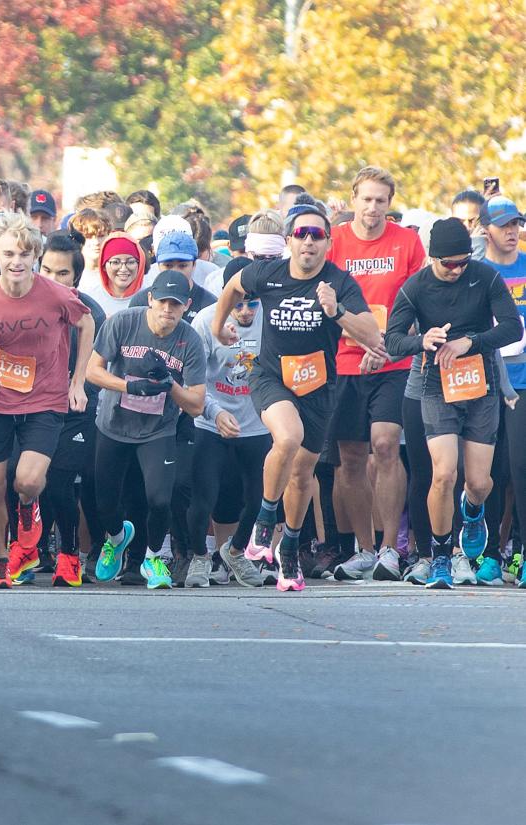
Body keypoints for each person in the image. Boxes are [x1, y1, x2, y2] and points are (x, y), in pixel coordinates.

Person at [211, 204, 386, 591]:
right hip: (272, 376)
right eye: (302, 234)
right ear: (290, 240)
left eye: (317, 235)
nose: (309, 241)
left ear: (327, 243)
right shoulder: (268, 273)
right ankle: (263, 523)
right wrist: (217, 323)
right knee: (286, 438)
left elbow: (372, 335)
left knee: (302, 472)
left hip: (319, 386)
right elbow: (233, 286)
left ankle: (288, 549)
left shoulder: (339, 282)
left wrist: (335, 310)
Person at [383, 218, 522, 588]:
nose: (457, 270)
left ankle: (472, 512)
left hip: (481, 387)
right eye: (449, 264)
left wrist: (469, 342)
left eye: (462, 262)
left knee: (479, 482)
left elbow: (512, 328)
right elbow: (393, 340)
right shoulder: (415, 287)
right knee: (443, 474)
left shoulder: (485, 277)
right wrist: (422, 341)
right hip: (436, 387)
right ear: (433, 258)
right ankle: (441, 555)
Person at [0, 213, 93, 589]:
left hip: (45, 398)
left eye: (24, 253)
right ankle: (1, 560)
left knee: (29, 481)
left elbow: (86, 323)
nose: (16, 261)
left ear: (35, 255)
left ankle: (28, 508)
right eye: (9, 253)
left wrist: (77, 381)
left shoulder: (55, 295)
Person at [324, 167, 426, 582]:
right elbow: (324, 304)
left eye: (381, 200)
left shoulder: (408, 242)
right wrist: (362, 340)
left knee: (384, 445)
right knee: (350, 457)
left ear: (390, 203)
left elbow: (421, 304)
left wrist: (382, 345)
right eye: (366, 199)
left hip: (394, 361)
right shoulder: (334, 243)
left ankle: (390, 548)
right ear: (353, 200)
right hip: (344, 362)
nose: (372, 207)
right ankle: (363, 549)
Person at [86, 271, 205, 588]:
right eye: (163, 301)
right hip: (113, 426)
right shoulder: (124, 322)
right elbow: (92, 371)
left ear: (186, 307)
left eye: (175, 304)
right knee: (105, 503)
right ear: (150, 299)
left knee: (160, 500)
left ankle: (153, 558)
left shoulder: (190, 341)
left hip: (158, 431)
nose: (168, 309)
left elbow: (196, 405)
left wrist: (170, 385)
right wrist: (130, 386)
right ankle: (116, 538)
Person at [185, 286, 270, 588]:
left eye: (253, 304)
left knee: (260, 498)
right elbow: (192, 379)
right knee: (203, 497)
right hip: (212, 421)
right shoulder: (207, 321)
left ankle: (235, 552)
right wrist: (216, 413)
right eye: (239, 304)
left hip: (256, 421)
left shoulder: (270, 319)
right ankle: (199, 558)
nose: (246, 311)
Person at [36, 231, 104, 586]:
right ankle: (30, 549)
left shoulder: (91, 311)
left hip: (76, 412)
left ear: (75, 277)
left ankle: (70, 554)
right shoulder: (21, 304)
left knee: (60, 481)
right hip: (30, 409)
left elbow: (101, 367)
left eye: (62, 273)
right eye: (47, 270)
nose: (53, 279)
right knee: (29, 480)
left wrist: (80, 388)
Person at [479, 195, 526, 586]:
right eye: (504, 225)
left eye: (516, 225)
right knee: (487, 471)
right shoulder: (478, 272)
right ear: (485, 230)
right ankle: (488, 554)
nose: (512, 232)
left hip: (523, 383)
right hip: (484, 384)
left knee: (520, 467)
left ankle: (521, 554)